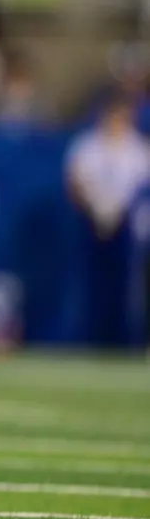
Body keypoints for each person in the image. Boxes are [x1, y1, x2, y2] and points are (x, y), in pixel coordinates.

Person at [66, 95, 150, 349]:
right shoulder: (87, 146)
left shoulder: (138, 149)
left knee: (125, 287)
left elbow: (142, 187)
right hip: (92, 223)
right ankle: (92, 340)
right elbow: (74, 182)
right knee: (93, 285)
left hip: (126, 225)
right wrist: (95, 208)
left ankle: (124, 343)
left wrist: (121, 211)